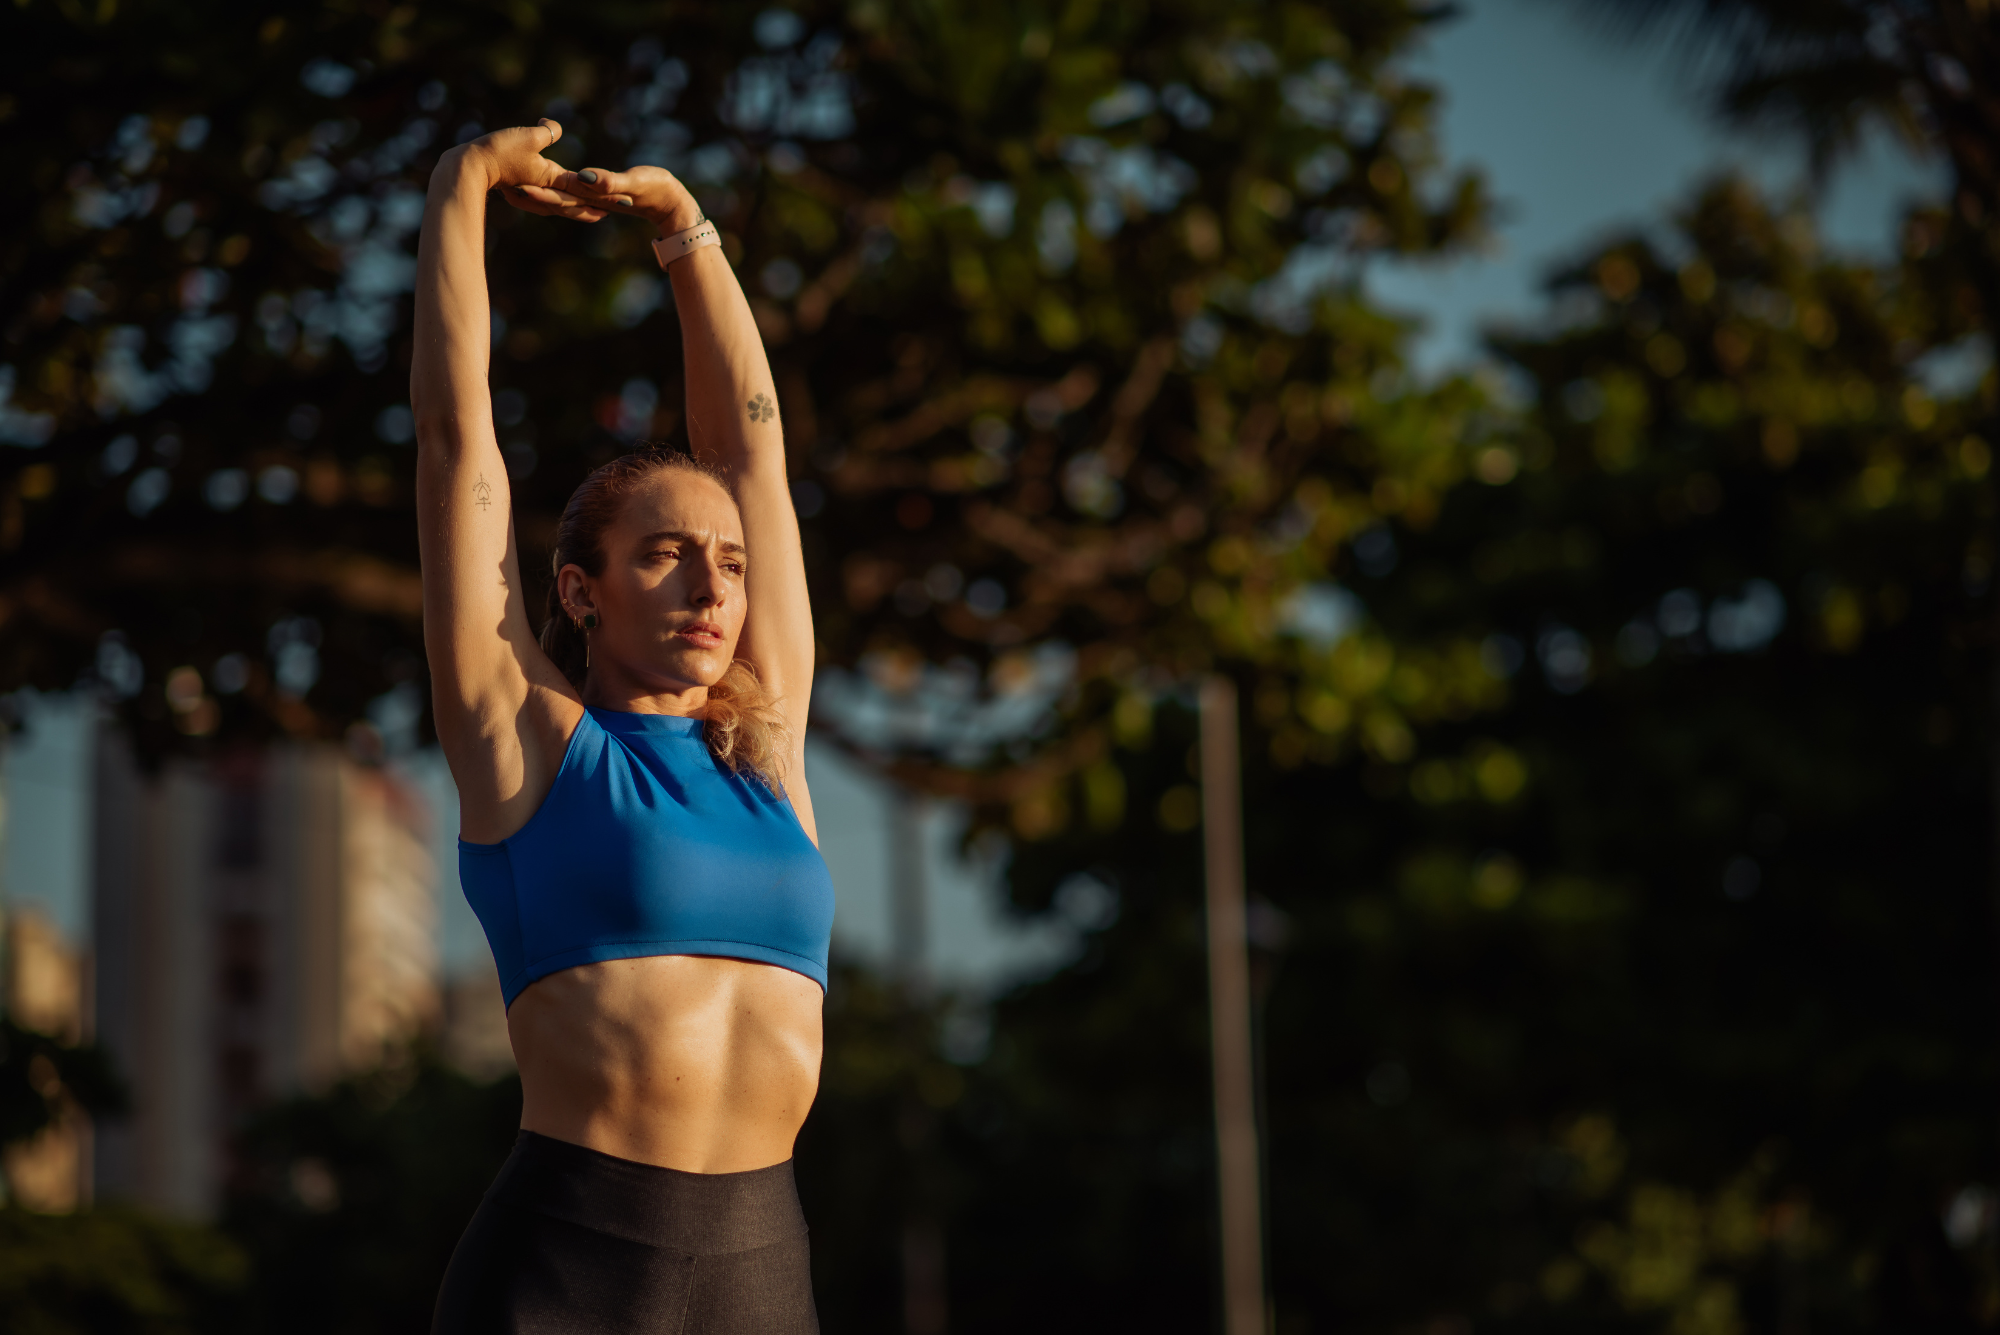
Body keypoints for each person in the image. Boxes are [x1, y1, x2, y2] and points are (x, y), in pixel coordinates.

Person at [413, 118, 832, 1334]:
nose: (711, 589)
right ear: (580, 590)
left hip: (763, 1263)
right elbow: (457, 442)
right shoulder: (528, 742)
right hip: (568, 1269)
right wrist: (460, 194)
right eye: (664, 556)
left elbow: (750, 451)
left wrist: (685, 236)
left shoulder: (767, 748)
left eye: (728, 565)